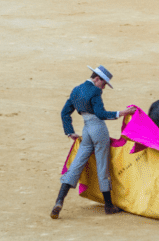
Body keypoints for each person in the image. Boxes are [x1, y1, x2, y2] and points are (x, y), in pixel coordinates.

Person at [53, 66, 134, 219]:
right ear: (97, 79)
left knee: (76, 165)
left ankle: (59, 200)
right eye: (103, 84)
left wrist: (70, 131)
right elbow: (100, 114)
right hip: (98, 129)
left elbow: (64, 112)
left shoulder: (76, 89)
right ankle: (109, 206)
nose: (103, 88)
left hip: (86, 129)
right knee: (102, 165)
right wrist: (121, 113)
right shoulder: (95, 91)